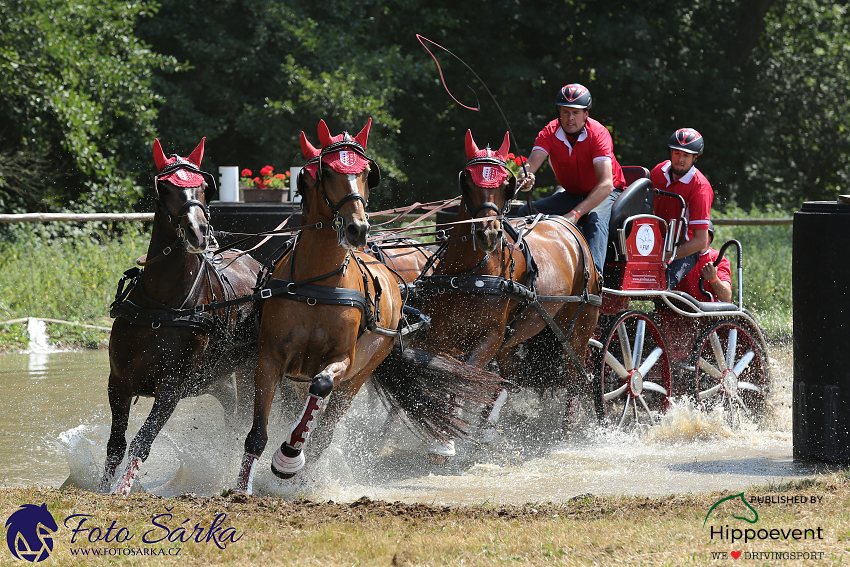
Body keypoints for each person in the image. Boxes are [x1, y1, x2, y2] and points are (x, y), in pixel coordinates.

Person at [515, 83, 626, 275]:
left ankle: (593, 282)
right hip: (574, 194)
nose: (570, 118)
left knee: (595, 219)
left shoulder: (598, 134)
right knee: (526, 211)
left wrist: (575, 214)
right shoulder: (549, 131)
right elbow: (530, 164)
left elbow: (606, 184)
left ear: (586, 113)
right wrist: (524, 177)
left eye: (576, 112)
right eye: (565, 112)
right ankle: (520, 269)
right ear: (559, 112)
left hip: (606, 193)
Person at [650, 128, 713, 289]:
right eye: (677, 153)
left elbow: (700, 241)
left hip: (684, 249)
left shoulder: (701, 188)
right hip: (655, 242)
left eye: (686, 155)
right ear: (671, 152)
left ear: (695, 158)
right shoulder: (658, 172)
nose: (680, 159)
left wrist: (669, 255)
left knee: (662, 290)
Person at [675, 222, 732, 303]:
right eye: (693, 234)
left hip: (706, 313)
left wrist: (713, 279)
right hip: (673, 310)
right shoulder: (675, 256)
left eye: (701, 234)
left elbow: (726, 297)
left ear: (709, 238)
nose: (697, 238)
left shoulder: (717, 259)